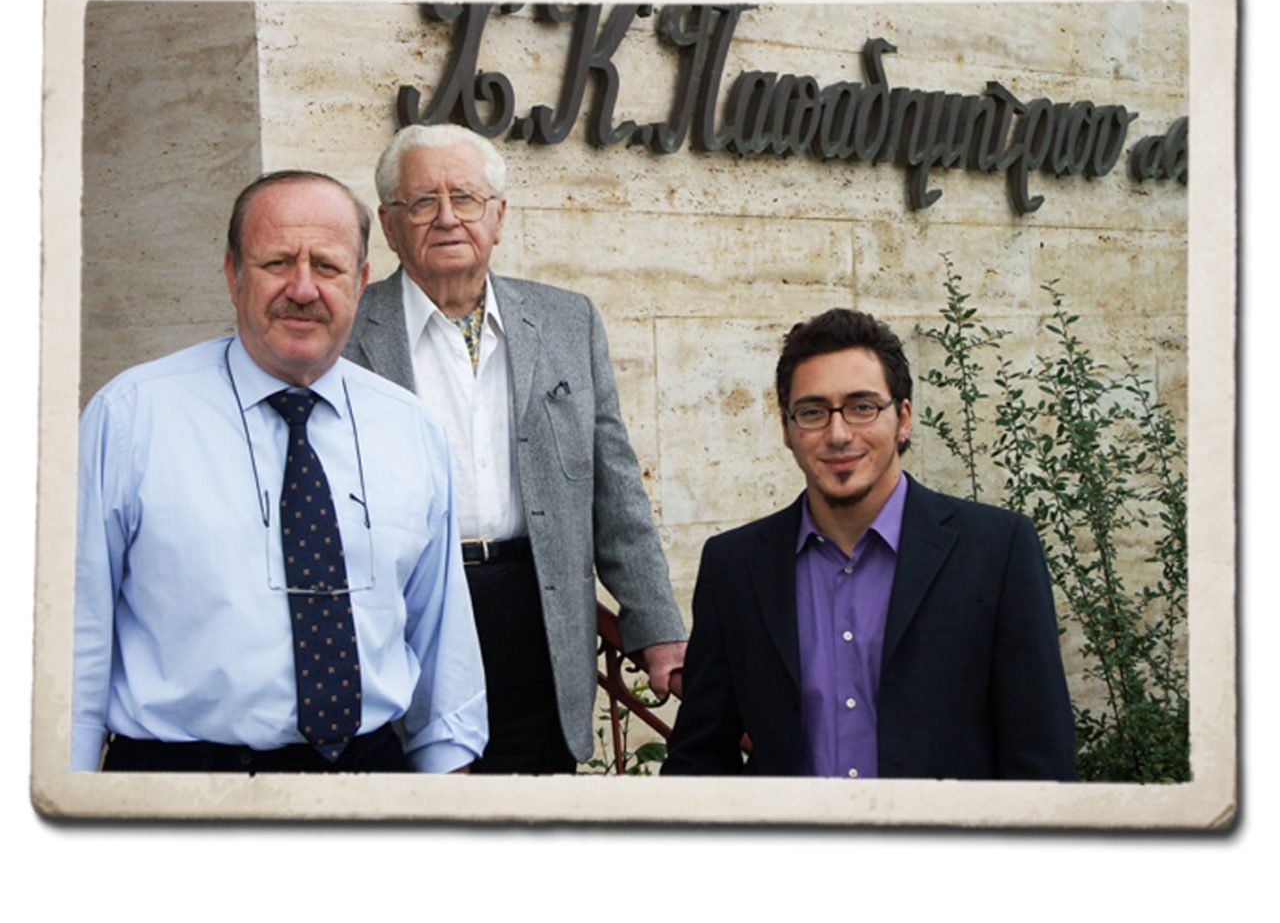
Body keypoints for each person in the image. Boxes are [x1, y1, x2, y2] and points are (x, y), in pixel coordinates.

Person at [71, 170, 487, 773]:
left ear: (360, 281)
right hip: (176, 784)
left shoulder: (411, 429)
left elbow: (441, 636)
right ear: (233, 274)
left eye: (327, 266)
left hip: (368, 776)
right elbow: (75, 637)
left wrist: (446, 785)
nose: (303, 288)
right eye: (277, 263)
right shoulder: (131, 417)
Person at [344, 123, 686, 774]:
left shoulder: (567, 321)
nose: (447, 217)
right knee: (410, 799)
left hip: (535, 610)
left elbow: (614, 485)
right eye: (423, 201)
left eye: (466, 198)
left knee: (533, 805)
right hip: (403, 615)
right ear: (389, 225)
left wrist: (658, 626)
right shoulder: (348, 330)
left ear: (497, 216)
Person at [663, 308, 1076, 780]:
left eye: (862, 407)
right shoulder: (734, 567)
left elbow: (1040, 758)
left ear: (903, 419)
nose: (838, 434)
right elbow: (700, 757)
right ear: (787, 429)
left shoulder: (996, 552)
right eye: (813, 412)